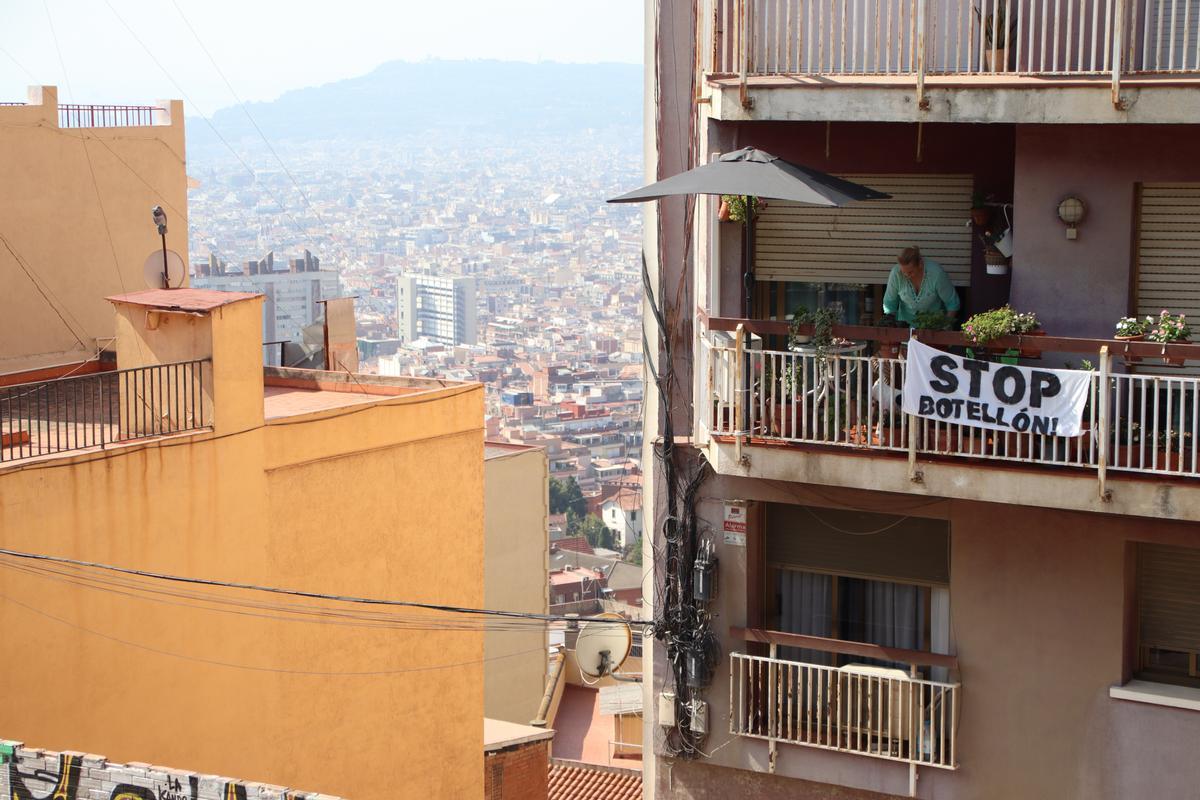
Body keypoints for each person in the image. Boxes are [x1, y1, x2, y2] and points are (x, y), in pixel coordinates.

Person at [882, 245, 961, 325]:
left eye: (910, 272)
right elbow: (889, 304)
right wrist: (891, 325)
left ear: (920, 264)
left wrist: (945, 327)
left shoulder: (937, 274)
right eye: (903, 272)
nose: (906, 275)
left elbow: (952, 303)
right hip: (904, 326)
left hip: (932, 327)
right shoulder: (896, 273)